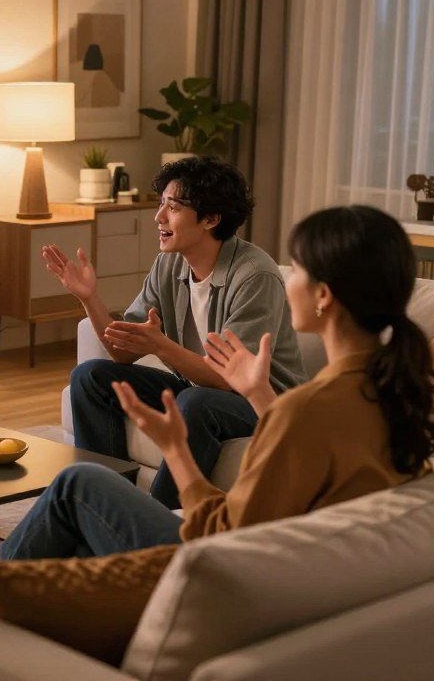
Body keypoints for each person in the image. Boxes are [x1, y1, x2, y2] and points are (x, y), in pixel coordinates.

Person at [0, 205, 434, 593]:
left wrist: (176, 448)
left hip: (224, 580)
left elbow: (217, 536)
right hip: (300, 577)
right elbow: (313, 460)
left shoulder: (309, 405)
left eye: (297, 269)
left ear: (324, 296)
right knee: (93, 426)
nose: (287, 279)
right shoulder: (395, 393)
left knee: (77, 485)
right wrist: (257, 394)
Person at [45, 156, 306, 508]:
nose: (159, 217)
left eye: (173, 207)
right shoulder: (169, 263)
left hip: (262, 403)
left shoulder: (254, 276)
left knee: (193, 402)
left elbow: (231, 381)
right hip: (200, 391)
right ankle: (105, 501)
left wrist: (162, 346)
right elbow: (123, 351)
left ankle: (158, 517)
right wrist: (89, 298)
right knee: (91, 377)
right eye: (161, 204)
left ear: (211, 219)